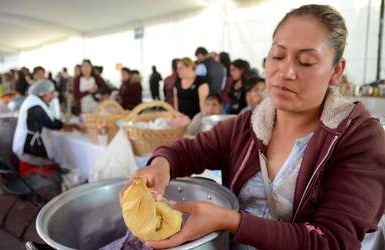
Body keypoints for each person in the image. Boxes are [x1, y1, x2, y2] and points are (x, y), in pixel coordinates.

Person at [125, 4, 385, 250]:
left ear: (336, 70)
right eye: (278, 55)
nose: (285, 71)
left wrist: (230, 221)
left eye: (305, 61)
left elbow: (332, 241)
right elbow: (187, 151)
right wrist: (160, 165)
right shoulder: (249, 125)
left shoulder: (358, 138)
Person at [12, 80, 73, 175]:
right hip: (27, 148)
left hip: (28, 144)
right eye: (51, 93)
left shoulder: (34, 101)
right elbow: (51, 123)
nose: (53, 96)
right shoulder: (34, 105)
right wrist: (64, 124)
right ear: (43, 93)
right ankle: (42, 185)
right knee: (56, 163)